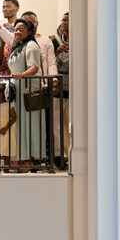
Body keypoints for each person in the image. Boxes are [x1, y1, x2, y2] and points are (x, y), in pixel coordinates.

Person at [7, 18, 45, 166]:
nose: (17, 32)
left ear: (30, 32)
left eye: (21, 29)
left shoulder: (31, 46)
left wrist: (22, 75)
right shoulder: (18, 46)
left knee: (29, 123)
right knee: (19, 122)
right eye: (15, 29)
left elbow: (34, 67)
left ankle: (31, 159)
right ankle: (21, 158)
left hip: (28, 88)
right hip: (17, 86)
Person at [51, 13, 70, 165]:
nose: (64, 23)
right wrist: (58, 50)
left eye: (67, 20)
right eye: (63, 20)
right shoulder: (55, 42)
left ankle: (71, 154)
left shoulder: (82, 40)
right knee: (57, 124)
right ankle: (59, 155)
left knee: (70, 123)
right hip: (58, 88)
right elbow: (51, 62)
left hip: (73, 88)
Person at [0, 80, 17, 168]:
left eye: (1, 92)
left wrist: (5, 128)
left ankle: (6, 168)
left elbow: (14, 118)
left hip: (6, 130)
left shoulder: (9, 104)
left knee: (6, 150)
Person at [0, 0, 20, 75]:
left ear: (17, 9)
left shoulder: (20, 28)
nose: (5, 9)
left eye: (8, 6)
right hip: (4, 73)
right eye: (3, 7)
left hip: (18, 71)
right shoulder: (3, 28)